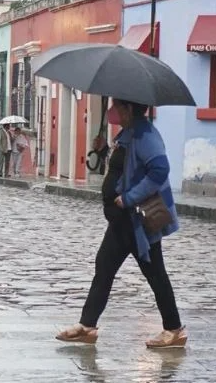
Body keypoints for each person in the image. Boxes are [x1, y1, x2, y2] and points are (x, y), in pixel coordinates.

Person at [56, 99, 186, 349]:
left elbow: (159, 170)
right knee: (105, 266)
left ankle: (174, 329)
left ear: (128, 109)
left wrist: (129, 197)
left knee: (155, 272)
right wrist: (104, 148)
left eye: (117, 105)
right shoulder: (129, 133)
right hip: (122, 220)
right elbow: (121, 167)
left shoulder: (147, 135)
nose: (112, 109)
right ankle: (87, 326)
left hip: (135, 219)